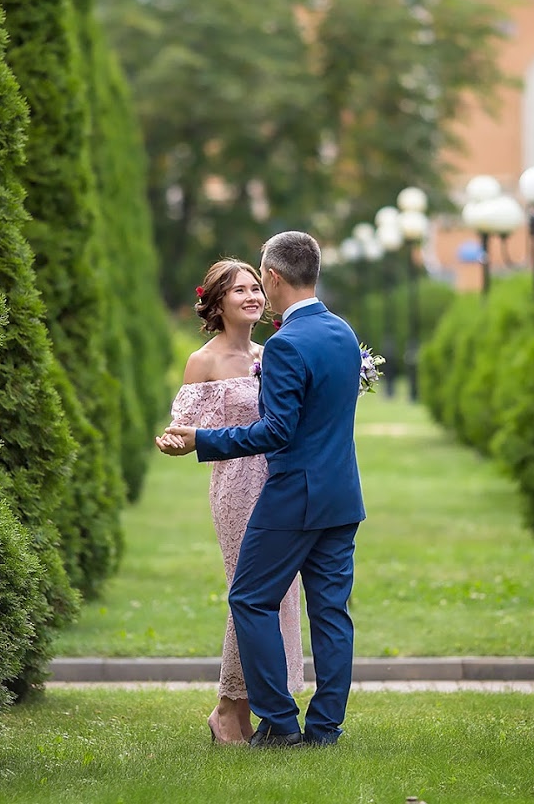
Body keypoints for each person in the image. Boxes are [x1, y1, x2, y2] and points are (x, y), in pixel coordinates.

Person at [158, 231, 364, 748]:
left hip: (292, 497)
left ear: (273, 276)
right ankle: (324, 730)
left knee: (250, 599)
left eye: (259, 281)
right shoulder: (342, 333)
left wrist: (202, 439)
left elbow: (278, 431)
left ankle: (277, 722)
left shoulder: (286, 345)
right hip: (342, 496)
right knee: (332, 613)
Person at [168, 259, 304, 745]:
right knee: (249, 593)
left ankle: (248, 707)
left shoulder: (272, 354)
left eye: (255, 288)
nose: (252, 297)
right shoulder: (203, 361)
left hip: (280, 480)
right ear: (218, 302)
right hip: (236, 485)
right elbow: (182, 426)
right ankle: (228, 709)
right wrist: (177, 441)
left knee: (279, 593)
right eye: (239, 290)